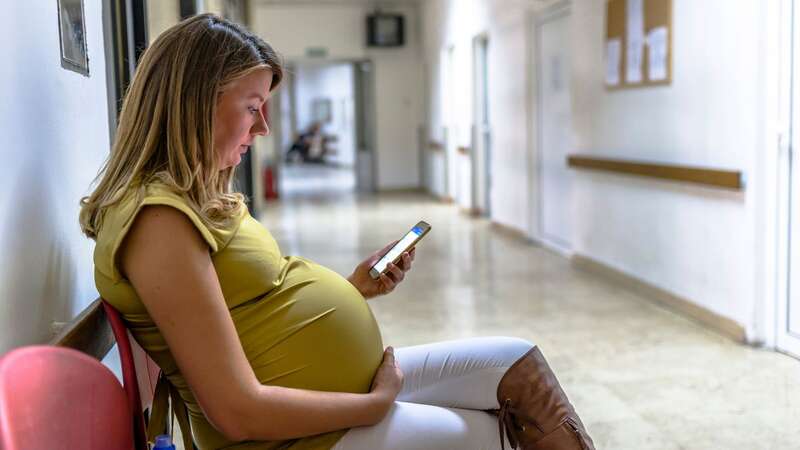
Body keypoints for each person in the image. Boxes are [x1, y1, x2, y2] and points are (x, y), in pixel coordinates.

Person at [79, 14, 594, 450]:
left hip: (329, 397)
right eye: (253, 106)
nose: (264, 130)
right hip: (287, 436)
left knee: (514, 362)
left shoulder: (187, 200)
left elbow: (248, 310)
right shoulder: (157, 222)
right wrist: (373, 405)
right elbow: (235, 411)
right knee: (489, 433)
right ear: (192, 104)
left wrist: (354, 288)